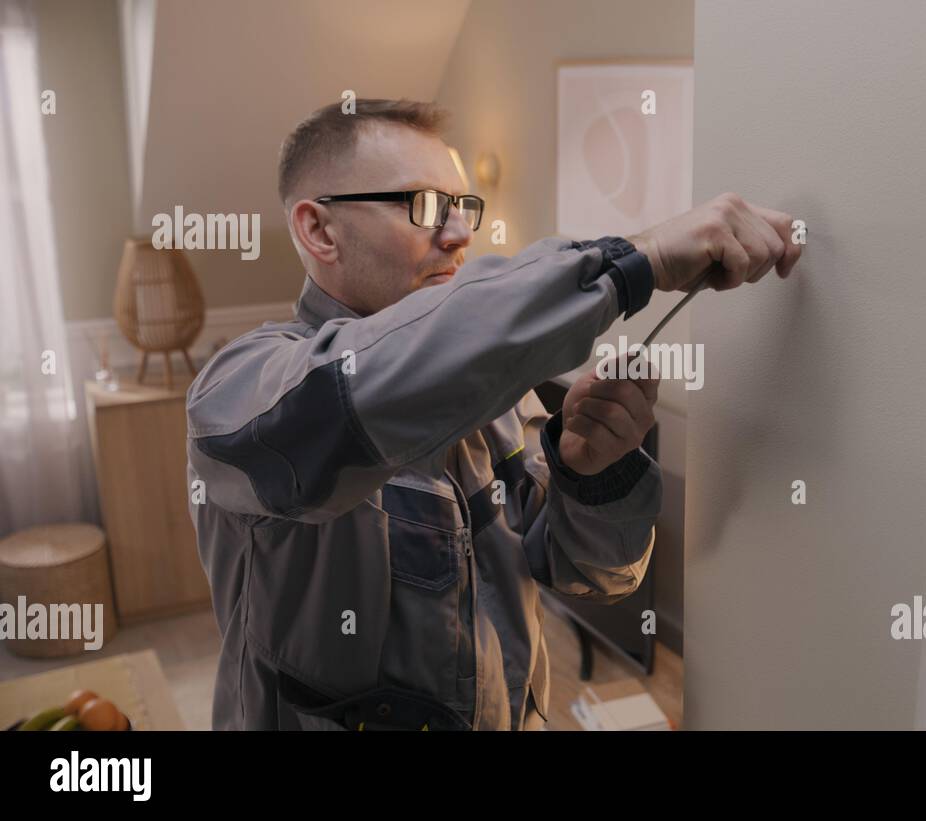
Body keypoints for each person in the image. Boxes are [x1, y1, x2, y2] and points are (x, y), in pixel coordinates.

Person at [186, 98, 801, 730]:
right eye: (422, 206)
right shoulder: (238, 390)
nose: (458, 234)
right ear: (319, 230)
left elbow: (593, 576)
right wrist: (632, 260)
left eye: (461, 208)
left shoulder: (499, 399)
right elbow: (364, 389)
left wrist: (594, 479)